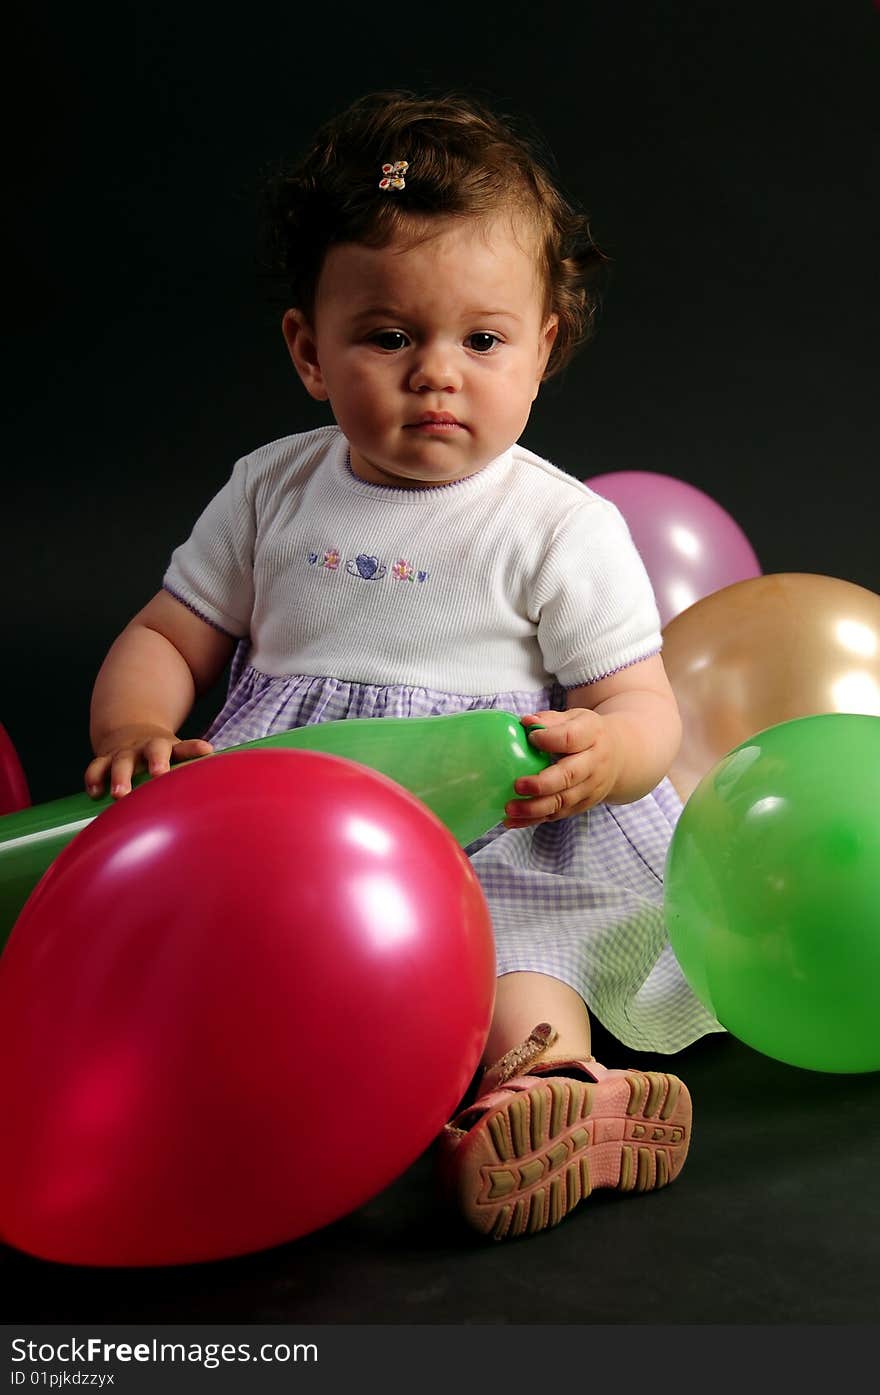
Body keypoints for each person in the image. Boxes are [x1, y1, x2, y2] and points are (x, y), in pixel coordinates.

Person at [85, 89, 722, 1242]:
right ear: (309, 351)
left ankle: (549, 1092)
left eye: (480, 341)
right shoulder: (272, 489)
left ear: (542, 350)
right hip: (294, 807)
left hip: (492, 817)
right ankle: (320, 1088)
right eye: (388, 336)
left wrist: (609, 758)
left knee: (520, 950)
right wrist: (133, 726)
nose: (436, 373)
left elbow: (639, 703)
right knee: (239, 950)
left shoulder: (554, 526)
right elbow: (166, 635)